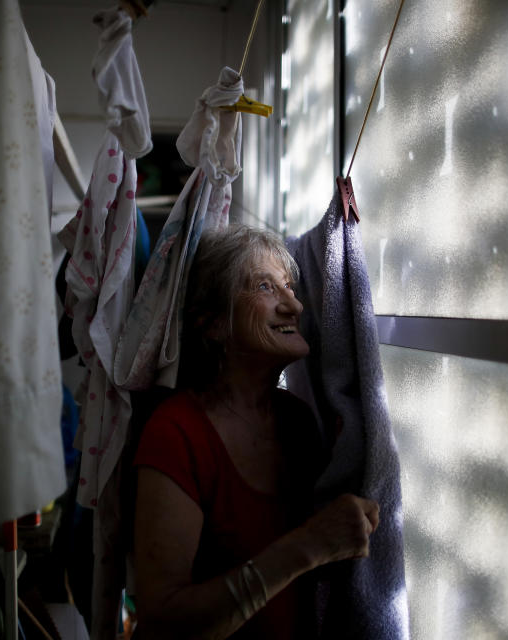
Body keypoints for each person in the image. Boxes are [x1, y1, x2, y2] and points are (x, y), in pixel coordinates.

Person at [131, 224, 381, 639]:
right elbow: (164, 621)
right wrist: (311, 545)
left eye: (289, 286)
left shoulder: (299, 421)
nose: (295, 306)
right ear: (211, 324)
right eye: (266, 287)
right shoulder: (176, 432)